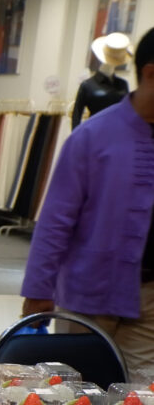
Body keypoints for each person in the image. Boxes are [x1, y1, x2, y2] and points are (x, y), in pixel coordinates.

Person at [21, 27, 154, 374]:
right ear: (150, 73)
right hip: (89, 295)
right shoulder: (93, 137)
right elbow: (56, 220)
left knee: (143, 395)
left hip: (150, 304)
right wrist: (39, 289)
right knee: (78, 390)